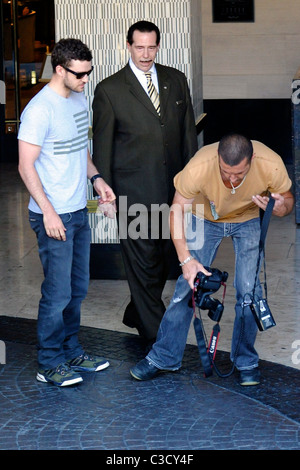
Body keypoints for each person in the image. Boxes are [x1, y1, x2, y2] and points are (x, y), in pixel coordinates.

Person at [130, 133, 294, 386]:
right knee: (187, 288)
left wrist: (279, 206)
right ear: (218, 159)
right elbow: (176, 209)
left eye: (239, 174)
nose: (231, 179)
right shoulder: (199, 166)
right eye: (226, 172)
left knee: (249, 293)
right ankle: (164, 357)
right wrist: (186, 261)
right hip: (205, 216)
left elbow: (287, 203)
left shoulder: (270, 163)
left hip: (248, 218)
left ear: (252, 161)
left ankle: (246, 360)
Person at [92, 21, 198, 346]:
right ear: (128, 46)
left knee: (163, 259)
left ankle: (136, 311)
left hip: (173, 194)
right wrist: (105, 197)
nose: (146, 54)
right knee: (142, 263)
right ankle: (159, 340)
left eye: (152, 47)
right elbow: (103, 148)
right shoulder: (109, 90)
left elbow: (188, 139)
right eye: (139, 47)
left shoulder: (175, 81)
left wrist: (193, 187)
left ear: (158, 45)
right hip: (133, 195)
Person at [18, 38, 116, 387]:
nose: (86, 80)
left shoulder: (79, 100)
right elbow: (25, 167)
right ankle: (49, 362)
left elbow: (80, 151)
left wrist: (97, 180)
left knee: (77, 289)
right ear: (59, 69)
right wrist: (48, 212)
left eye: (89, 73)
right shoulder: (39, 110)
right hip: (53, 216)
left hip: (77, 211)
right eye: (80, 74)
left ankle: (72, 351)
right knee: (57, 293)